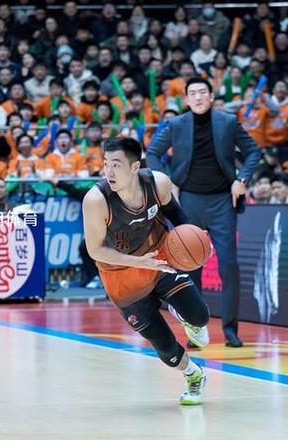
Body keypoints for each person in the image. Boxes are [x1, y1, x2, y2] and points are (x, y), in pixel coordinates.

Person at [82, 137, 210, 405]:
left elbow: (179, 217)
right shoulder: (96, 200)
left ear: (134, 167)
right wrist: (138, 262)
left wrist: (197, 238)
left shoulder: (157, 183)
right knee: (167, 350)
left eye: (116, 165)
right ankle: (193, 374)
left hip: (160, 260)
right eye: (106, 164)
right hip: (122, 281)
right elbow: (95, 250)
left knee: (200, 316)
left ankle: (185, 318)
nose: (109, 171)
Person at [147, 77, 261, 347]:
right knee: (190, 267)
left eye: (202, 92)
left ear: (211, 96)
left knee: (229, 266)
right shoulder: (176, 124)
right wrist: (166, 182)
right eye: (193, 93)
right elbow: (152, 152)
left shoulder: (228, 122)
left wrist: (242, 179)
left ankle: (231, 331)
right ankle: (196, 330)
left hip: (222, 201)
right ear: (186, 99)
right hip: (189, 201)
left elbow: (253, 151)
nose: (198, 97)